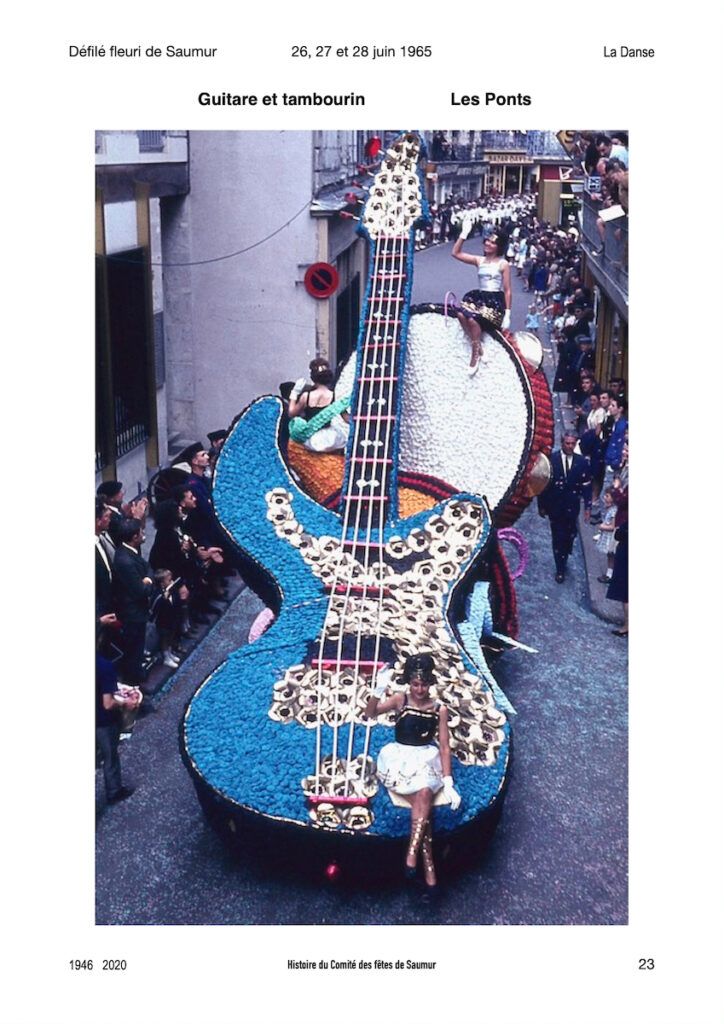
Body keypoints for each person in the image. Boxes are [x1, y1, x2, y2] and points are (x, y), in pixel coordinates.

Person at [365, 654, 461, 897]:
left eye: (424, 684)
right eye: (415, 684)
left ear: (431, 683)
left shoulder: (439, 709)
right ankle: (428, 866)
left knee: (425, 791)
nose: (419, 689)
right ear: (409, 682)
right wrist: (378, 688)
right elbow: (370, 713)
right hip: (398, 758)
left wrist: (448, 782)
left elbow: (445, 747)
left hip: (425, 758)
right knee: (424, 802)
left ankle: (412, 854)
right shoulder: (400, 699)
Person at [451, 222, 512, 370]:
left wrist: (507, 314)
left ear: (499, 246)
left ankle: (475, 354)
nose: (488, 243)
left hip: (494, 302)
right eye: (487, 240)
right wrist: (464, 234)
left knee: (472, 319)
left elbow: (507, 290)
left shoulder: (503, 264)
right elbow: (456, 253)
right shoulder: (479, 260)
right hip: (480, 298)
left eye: (492, 242)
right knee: (460, 314)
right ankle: (479, 346)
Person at [537, 430, 592, 582]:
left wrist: (588, 507)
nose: (569, 446)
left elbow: (587, 486)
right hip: (555, 506)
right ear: (562, 443)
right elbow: (542, 483)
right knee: (558, 537)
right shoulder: (551, 460)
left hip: (572, 506)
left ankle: (565, 551)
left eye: (572, 444)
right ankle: (560, 568)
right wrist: (541, 505)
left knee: (570, 535)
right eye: (567, 443)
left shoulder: (581, 462)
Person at [287, 358, 350, 452]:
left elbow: (291, 413)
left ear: (313, 377)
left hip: (311, 439)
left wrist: (294, 393)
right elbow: (347, 419)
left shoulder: (306, 396)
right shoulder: (334, 396)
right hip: (330, 439)